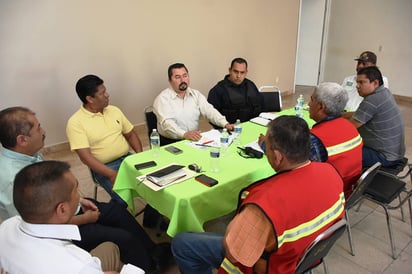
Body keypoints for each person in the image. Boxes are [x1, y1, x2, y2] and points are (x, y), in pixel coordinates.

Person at [0, 106, 172, 272]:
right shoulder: (12, 180)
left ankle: (152, 252)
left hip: (67, 207)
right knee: (122, 238)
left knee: (117, 211)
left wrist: (80, 200)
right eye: (38, 129)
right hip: (62, 226)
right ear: (22, 139)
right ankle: (148, 266)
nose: (44, 132)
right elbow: (39, 226)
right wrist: (86, 219)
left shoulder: (29, 154)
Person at [171, 116, 345, 274]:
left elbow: (234, 253)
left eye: (266, 147)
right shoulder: (331, 172)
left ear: (277, 156)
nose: (265, 150)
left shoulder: (264, 203)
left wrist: (235, 224)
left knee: (182, 243)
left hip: (272, 268)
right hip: (303, 258)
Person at [0, 161, 141, 274]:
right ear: (62, 209)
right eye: (75, 190)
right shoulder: (78, 265)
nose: (79, 196)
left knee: (109, 248)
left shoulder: (7, 226)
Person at [66, 74, 143, 204]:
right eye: (102, 93)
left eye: (105, 91)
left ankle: (152, 216)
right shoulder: (75, 123)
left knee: (156, 183)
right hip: (105, 167)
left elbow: (131, 134)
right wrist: (112, 174)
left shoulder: (114, 110)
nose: (107, 95)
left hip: (127, 158)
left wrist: (141, 156)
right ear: (90, 98)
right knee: (123, 199)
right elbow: (86, 158)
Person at [307, 82, 363, 197]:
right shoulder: (350, 127)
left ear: (321, 106)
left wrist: (266, 143)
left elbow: (294, 163)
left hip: (328, 195)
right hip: (349, 189)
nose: (308, 104)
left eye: (311, 100)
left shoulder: (315, 139)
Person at [343, 66, 405, 168]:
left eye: (361, 82)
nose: (357, 86)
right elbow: (360, 113)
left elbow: (349, 128)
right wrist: (340, 115)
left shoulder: (372, 101)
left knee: (342, 151)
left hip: (384, 157)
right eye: (357, 82)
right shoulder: (385, 92)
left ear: (375, 83)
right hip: (395, 153)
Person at [153, 63, 234, 141]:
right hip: (170, 142)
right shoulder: (162, 99)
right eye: (177, 77)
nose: (182, 80)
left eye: (185, 76)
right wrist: (184, 134)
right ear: (170, 80)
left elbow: (209, 111)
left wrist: (225, 124)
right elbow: (167, 124)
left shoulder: (196, 94)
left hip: (194, 139)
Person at [207, 57, 264, 123]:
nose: (238, 76)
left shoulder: (251, 85)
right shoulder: (218, 90)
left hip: (253, 125)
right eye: (236, 71)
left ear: (246, 72)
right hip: (229, 129)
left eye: (242, 72)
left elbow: (261, 106)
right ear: (230, 70)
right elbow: (211, 116)